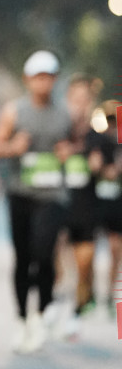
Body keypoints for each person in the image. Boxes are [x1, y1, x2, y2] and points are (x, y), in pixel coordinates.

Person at [0, 51, 77, 353]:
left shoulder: (65, 113)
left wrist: (69, 150)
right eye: (38, 77)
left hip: (52, 194)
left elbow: (78, 142)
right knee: (23, 257)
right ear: (28, 80)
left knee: (44, 252)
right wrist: (13, 147)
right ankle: (22, 319)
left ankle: (41, 313)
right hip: (21, 192)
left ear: (55, 80)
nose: (44, 83)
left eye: (49, 77)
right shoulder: (15, 111)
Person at [66, 97, 122, 327]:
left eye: (115, 122)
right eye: (109, 121)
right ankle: (86, 292)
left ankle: (109, 293)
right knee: (87, 252)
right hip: (95, 203)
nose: (112, 126)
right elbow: (93, 166)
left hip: (117, 203)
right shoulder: (97, 140)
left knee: (115, 250)